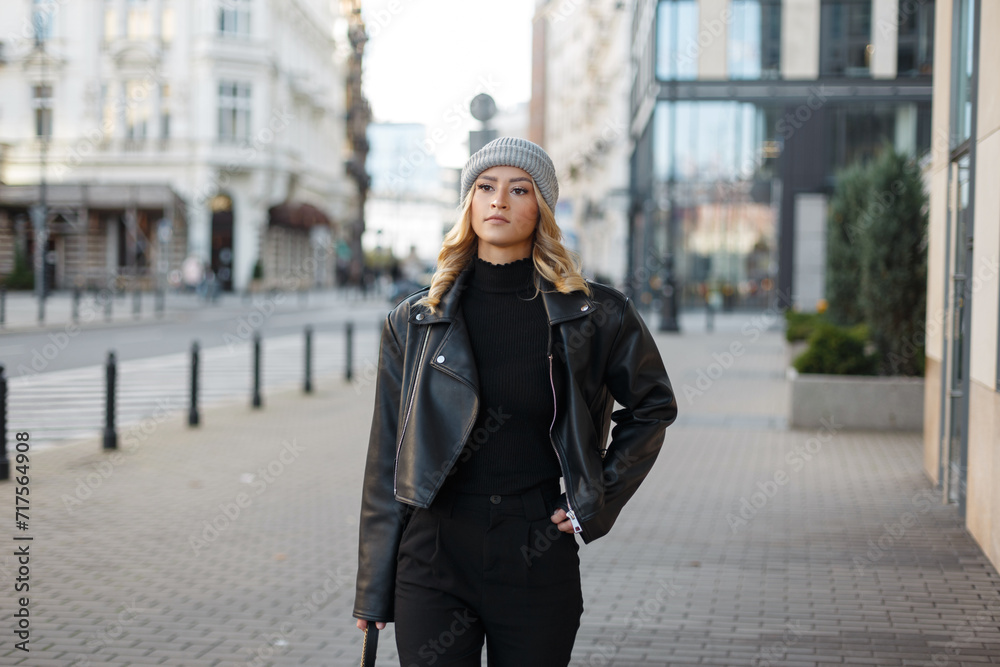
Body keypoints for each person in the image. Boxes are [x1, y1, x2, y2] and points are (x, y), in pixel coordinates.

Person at [353, 136, 677, 666]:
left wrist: (595, 497)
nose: (498, 200)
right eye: (485, 187)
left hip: (535, 547)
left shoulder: (593, 315)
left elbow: (652, 407)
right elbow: (387, 456)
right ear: (469, 203)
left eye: (518, 189)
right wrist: (373, 584)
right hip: (434, 550)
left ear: (541, 208)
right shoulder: (416, 321)